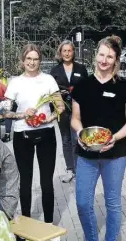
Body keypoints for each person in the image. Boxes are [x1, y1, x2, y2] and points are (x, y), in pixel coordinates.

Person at [71, 35, 126, 241]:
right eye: (101, 54)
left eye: (110, 56)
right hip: (87, 152)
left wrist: (113, 137)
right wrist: (80, 133)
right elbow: (75, 119)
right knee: (82, 201)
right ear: (95, 56)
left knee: (113, 203)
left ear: (116, 59)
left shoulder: (125, 87)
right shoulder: (83, 86)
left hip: (115, 153)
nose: (104, 59)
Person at [2, 44, 65, 241]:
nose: (31, 63)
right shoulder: (15, 82)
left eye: (35, 59)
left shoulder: (48, 80)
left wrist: (50, 118)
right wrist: (22, 113)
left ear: (40, 60)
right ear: (23, 61)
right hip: (23, 136)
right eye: (28, 59)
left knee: (47, 182)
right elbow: (5, 112)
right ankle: (28, 226)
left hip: (46, 133)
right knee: (25, 182)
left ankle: (48, 225)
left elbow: (61, 106)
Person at [50, 40, 89, 183]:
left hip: (78, 110)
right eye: (64, 51)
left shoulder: (81, 69)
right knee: (66, 139)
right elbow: (50, 91)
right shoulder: (54, 71)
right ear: (60, 53)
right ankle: (69, 169)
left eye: (69, 51)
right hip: (61, 110)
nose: (67, 53)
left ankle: (79, 169)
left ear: (73, 52)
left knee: (76, 138)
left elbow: (87, 89)